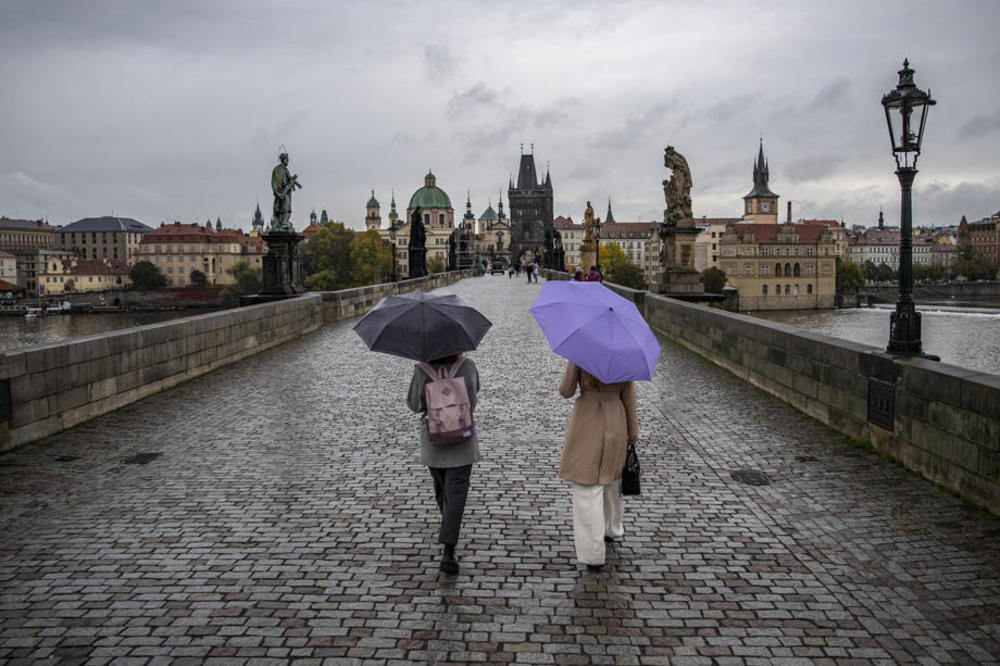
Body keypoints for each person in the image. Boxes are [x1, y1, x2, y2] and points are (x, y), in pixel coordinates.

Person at [558, 361, 638, 571]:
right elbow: (628, 395)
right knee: (610, 478)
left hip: (588, 419)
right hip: (616, 418)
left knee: (587, 487)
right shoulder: (623, 354)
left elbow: (565, 391)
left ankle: (593, 554)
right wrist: (633, 430)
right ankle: (611, 528)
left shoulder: (581, 353)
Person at [407, 354, 481, 575]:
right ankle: (448, 549)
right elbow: (473, 400)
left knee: (442, 490)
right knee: (455, 494)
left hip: (435, 443)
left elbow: (414, 404)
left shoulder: (422, 370)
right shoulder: (467, 366)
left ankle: (449, 541)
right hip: (462, 439)